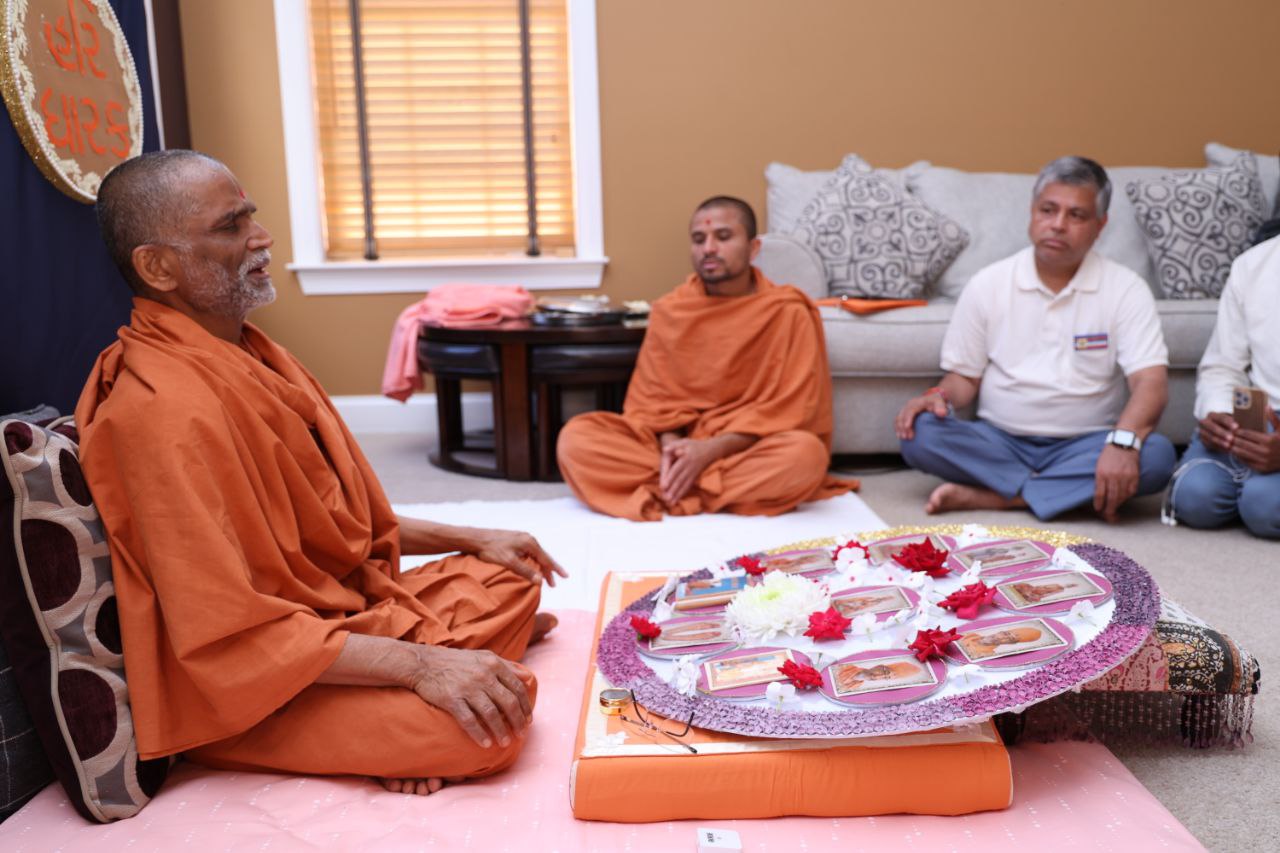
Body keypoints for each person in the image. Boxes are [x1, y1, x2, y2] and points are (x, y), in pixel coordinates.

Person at [75, 150, 568, 797]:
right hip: (252, 687)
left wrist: (476, 537)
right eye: (230, 226)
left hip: (336, 619)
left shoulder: (252, 354)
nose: (261, 237)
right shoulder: (155, 411)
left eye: (251, 216)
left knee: (509, 575)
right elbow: (228, 635)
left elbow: (342, 528)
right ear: (157, 267)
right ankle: (424, 689)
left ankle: (439, 671)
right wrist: (419, 665)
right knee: (490, 724)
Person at [896, 157, 1176, 522]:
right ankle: (1057, 493)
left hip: (1087, 443)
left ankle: (1001, 497)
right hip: (1000, 441)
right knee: (919, 433)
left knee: (1156, 456)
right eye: (1048, 210)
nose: (1058, 224)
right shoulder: (989, 283)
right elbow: (964, 378)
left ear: (1100, 225)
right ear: (1032, 211)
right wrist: (937, 396)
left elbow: (1150, 383)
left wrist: (1123, 443)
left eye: (1076, 215)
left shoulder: (1126, 289)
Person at [556, 196, 855, 521]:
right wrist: (675, 449)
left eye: (723, 237)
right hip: (672, 447)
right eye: (699, 239)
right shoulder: (672, 310)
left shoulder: (788, 311)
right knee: (576, 439)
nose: (708, 248)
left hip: (743, 448)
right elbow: (652, 405)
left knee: (804, 456)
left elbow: (792, 410)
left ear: (753, 248)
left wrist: (709, 451)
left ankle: (670, 489)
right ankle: (699, 486)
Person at [1164, 236, 1280, 538]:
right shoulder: (1252, 265)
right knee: (1194, 496)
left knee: (1264, 506)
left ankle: (1256, 491)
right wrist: (1220, 415)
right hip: (1261, 416)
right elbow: (1223, 366)